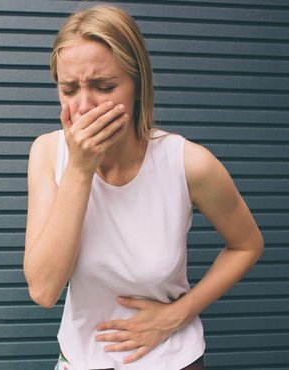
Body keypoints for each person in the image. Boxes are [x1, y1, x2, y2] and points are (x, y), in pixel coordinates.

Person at [23, 5, 264, 370]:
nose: (85, 107)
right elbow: (43, 290)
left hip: (172, 360)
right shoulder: (47, 153)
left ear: (138, 85)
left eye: (104, 87)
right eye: (69, 89)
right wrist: (79, 169)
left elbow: (247, 244)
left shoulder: (188, 162)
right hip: (80, 360)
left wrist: (179, 313)